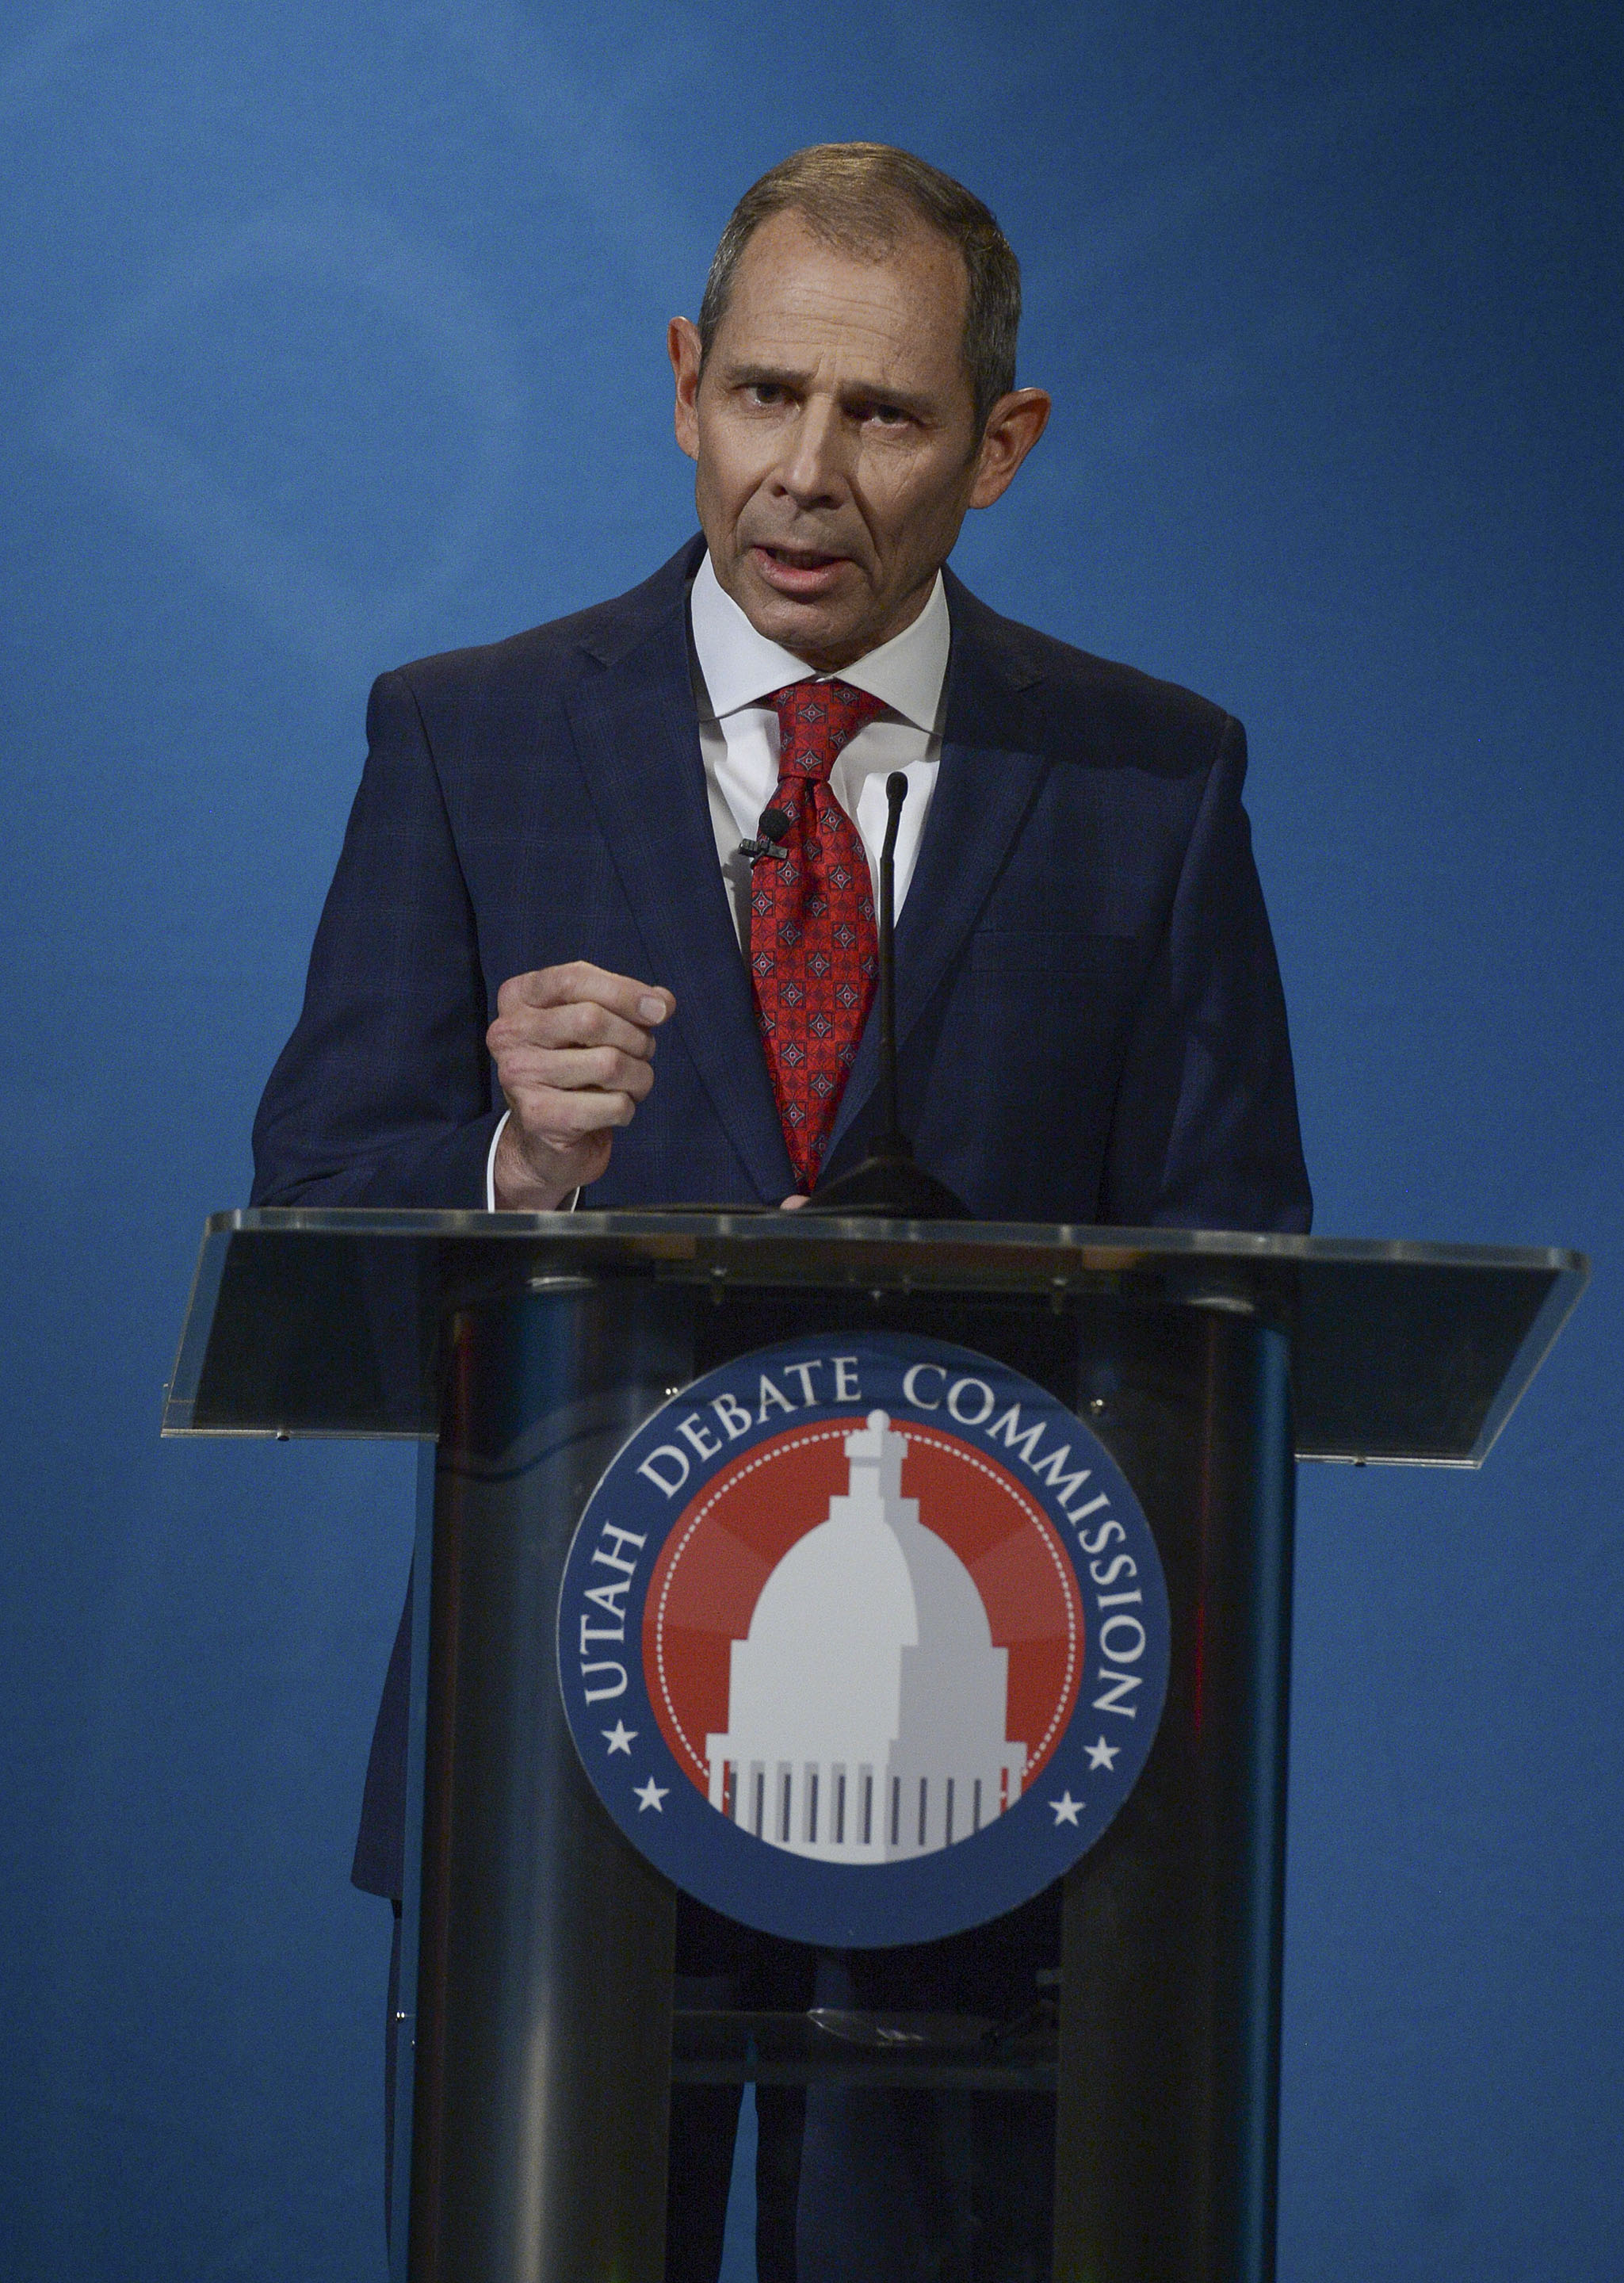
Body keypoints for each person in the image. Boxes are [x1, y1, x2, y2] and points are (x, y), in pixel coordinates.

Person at [252, 143, 1309, 2281]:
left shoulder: (1145, 778)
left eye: (884, 414)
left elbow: (1238, 1281)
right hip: (563, 1759)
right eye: (762, 396)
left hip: (990, 1791)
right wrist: (512, 1177)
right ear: (679, 383)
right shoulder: (468, 742)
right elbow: (321, 1236)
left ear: (998, 445)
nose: (804, 471)